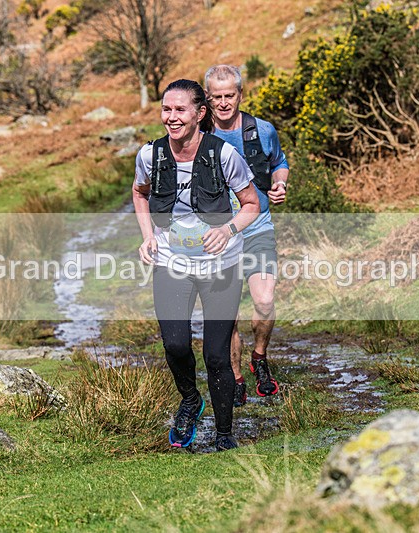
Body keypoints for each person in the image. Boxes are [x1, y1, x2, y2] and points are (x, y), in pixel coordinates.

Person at [132, 79, 260, 451]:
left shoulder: (223, 155)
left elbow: (251, 203)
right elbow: (139, 194)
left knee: (217, 353)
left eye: (180, 110)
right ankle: (190, 399)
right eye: (166, 110)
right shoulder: (149, 155)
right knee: (174, 344)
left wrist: (229, 229)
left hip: (222, 264)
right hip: (172, 262)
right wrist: (148, 236)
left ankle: (223, 433)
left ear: (200, 113)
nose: (171, 118)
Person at [204, 65, 289, 406]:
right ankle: (236, 376)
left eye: (230, 96)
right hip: (217, 235)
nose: (224, 103)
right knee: (228, 313)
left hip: (257, 226)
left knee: (264, 300)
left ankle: (260, 357)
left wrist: (280, 183)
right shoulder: (199, 133)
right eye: (216, 97)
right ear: (206, 99)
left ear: (240, 94)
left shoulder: (262, 130)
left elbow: (279, 162)